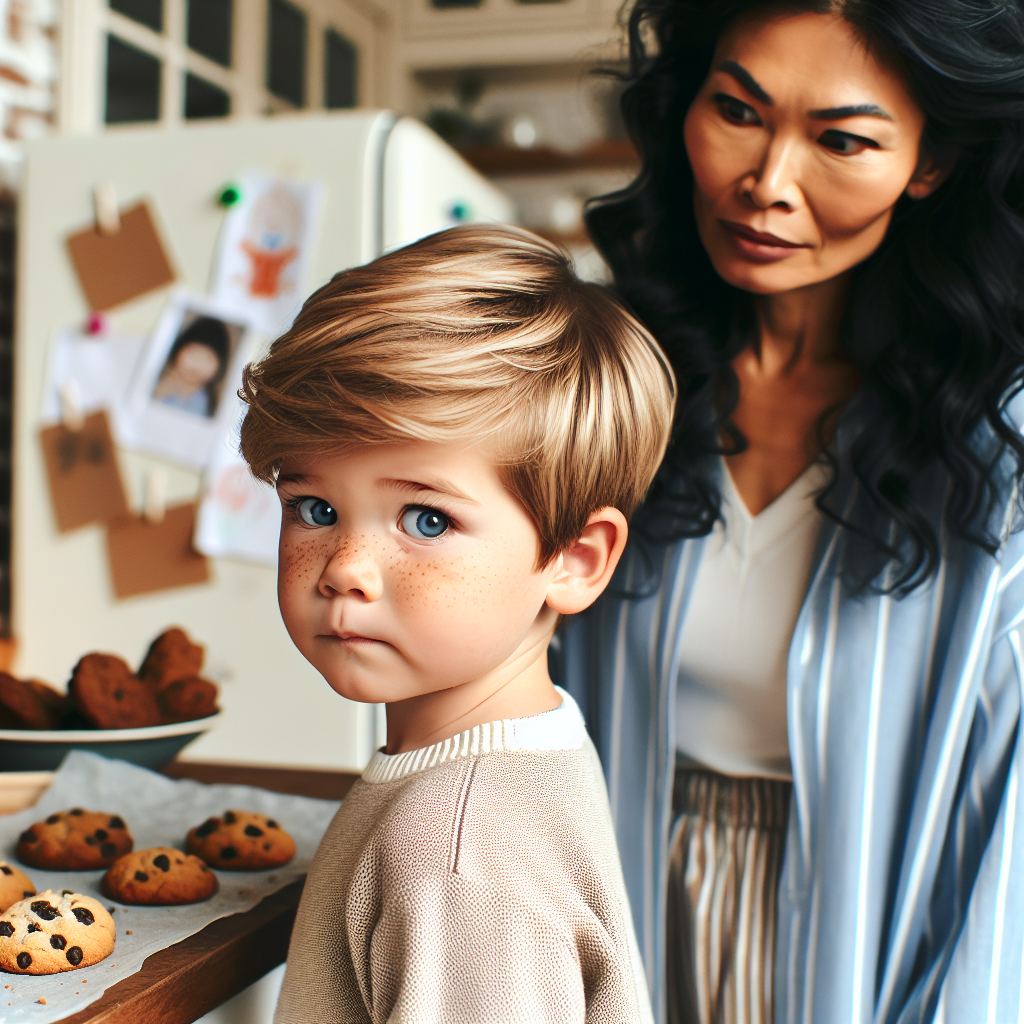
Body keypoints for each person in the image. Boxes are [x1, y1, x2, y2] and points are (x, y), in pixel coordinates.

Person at [555, 0, 1024, 1022]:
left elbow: (1012, 829)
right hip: (602, 914)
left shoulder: (999, 439)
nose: (765, 184)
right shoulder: (612, 381)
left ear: (930, 161)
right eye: (737, 111)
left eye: (842, 139)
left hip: (872, 949)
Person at [237, 224, 676, 1023]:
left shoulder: (454, 851)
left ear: (575, 559)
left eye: (426, 521)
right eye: (316, 508)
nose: (344, 567)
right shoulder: (520, 759)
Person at [152, 315, 230, 417]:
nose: (197, 364)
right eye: (192, 353)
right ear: (177, 351)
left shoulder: (212, 404)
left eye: (208, 359)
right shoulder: (156, 383)